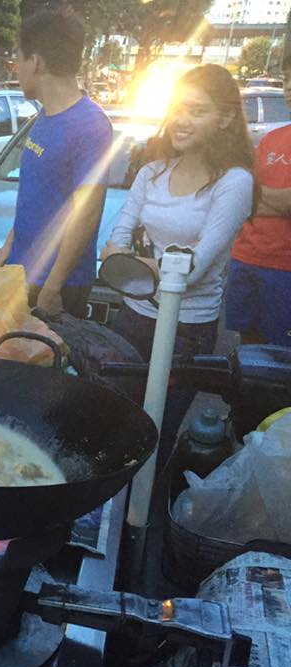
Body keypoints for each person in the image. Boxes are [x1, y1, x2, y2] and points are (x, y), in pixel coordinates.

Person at [101, 64, 254, 470]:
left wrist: (133, 264)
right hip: (135, 319)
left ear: (224, 118)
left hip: (188, 330)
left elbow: (194, 271)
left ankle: (140, 525)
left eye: (197, 111)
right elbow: (112, 246)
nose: (181, 120)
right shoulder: (152, 171)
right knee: (110, 426)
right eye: (177, 108)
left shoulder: (233, 182)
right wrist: (153, 264)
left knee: (153, 438)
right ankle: (104, 523)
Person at [0, 8, 112, 317]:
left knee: (43, 364)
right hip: (22, 271)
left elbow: (86, 212)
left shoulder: (89, 124)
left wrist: (53, 287)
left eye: (18, 60)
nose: (16, 69)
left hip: (55, 285)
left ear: (37, 62)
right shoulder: (44, 115)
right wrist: (9, 244)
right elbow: (37, 193)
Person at [225, 53, 291, 347]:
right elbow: (242, 197)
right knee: (247, 351)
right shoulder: (271, 139)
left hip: (285, 268)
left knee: (280, 358)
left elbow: (251, 197)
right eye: (288, 80)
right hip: (245, 259)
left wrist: (256, 199)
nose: (290, 87)